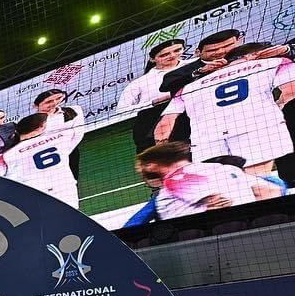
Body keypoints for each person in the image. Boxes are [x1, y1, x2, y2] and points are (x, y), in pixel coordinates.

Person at [155, 42, 295, 177]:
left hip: (206, 140)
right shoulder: (274, 63)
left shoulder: (189, 87)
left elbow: (164, 125)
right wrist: (276, 108)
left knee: (222, 185)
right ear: (256, 54)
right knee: (257, 180)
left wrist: (162, 151)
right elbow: (290, 92)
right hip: (255, 129)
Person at [136, 141, 278, 218]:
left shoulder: (174, 181)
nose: (139, 170)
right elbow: (270, 191)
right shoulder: (224, 167)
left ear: (152, 165)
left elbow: (220, 203)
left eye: (141, 166)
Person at [0, 111, 86, 209]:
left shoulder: (7, 155)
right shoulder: (61, 138)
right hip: (66, 192)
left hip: (34, 197)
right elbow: (77, 118)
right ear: (42, 127)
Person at [117, 38, 189, 152]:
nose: (172, 56)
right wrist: (153, 103)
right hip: (155, 123)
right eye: (164, 55)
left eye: (177, 50)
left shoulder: (195, 65)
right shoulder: (140, 82)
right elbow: (121, 110)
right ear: (152, 58)